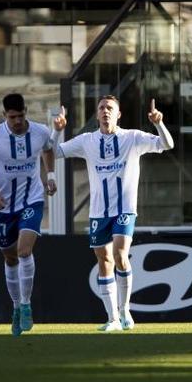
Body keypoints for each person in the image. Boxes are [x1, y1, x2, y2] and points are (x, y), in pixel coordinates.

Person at [52, 96, 173, 332]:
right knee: (104, 260)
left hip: (125, 209)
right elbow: (54, 151)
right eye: (101, 108)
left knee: (119, 254)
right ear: (96, 115)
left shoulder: (133, 137)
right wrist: (57, 130)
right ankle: (112, 319)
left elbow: (167, 144)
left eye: (110, 108)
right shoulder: (87, 141)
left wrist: (159, 123)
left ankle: (125, 308)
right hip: (99, 212)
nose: (105, 111)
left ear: (118, 114)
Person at [0, 93, 56, 336]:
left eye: (21, 116)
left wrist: (50, 175)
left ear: (25, 112)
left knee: (24, 251)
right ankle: (16, 307)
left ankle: (26, 304)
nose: (18, 121)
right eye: (13, 117)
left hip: (32, 199)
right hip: (4, 206)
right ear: (4, 116)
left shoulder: (40, 132)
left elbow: (49, 149)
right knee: (9, 258)